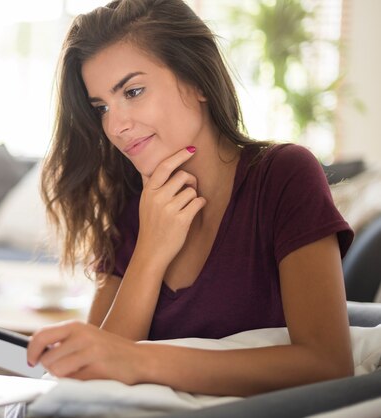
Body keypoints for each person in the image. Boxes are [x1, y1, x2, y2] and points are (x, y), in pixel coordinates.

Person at [27, 0, 354, 397]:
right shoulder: (130, 201)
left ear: (196, 80)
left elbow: (328, 365)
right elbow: (97, 376)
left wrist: (140, 361)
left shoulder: (283, 176)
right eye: (101, 108)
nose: (115, 126)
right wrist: (150, 250)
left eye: (133, 91)